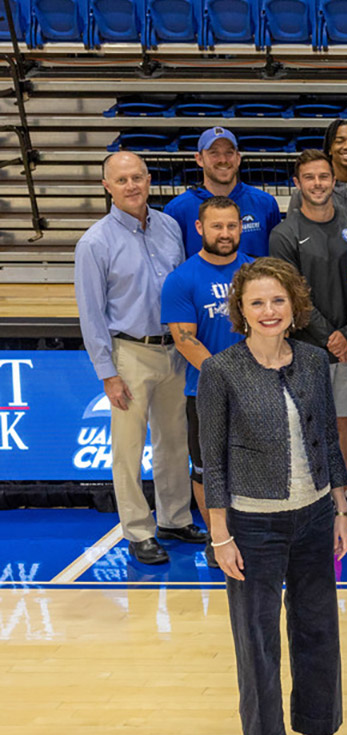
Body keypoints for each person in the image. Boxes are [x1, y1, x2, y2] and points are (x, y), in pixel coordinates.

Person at [199, 257, 347, 735]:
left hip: (313, 517)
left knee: (317, 628)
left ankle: (317, 724)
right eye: (257, 301)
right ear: (240, 309)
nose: (269, 310)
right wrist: (220, 535)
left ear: (294, 307)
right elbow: (211, 461)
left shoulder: (311, 361)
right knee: (257, 638)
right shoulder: (220, 370)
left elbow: (329, 441)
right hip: (252, 526)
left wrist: (339, 506)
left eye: (278, 301)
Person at [74, 151, 203, 566]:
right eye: (122, 180)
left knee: (174, 441)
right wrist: (107, 374)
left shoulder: (168, 226)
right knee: (128, 449)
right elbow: (91, 313)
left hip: (173, 349)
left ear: (149, 180)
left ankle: (174, 518)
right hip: (128, 351)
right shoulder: (94, 242)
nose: (132, 186)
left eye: (138, 178)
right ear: (106, 187)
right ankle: (138, 530)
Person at [269, 149, 347, 521]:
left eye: (324, 177)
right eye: (310, 178)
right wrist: (329, 335)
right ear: (297, 184)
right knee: (306, 422)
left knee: (346, 421)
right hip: (303, 348)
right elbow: (291, 293)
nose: (318, 184)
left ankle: (343, 495)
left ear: (334, 181)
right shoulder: (285, 233)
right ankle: (310, 494)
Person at [162, 196, 254, 565]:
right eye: (217, 226)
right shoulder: (182, 279)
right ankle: (218, 538)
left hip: (257, 390)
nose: (226, 233)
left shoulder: (256, 273)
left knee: (253, 467)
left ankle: (251, 534)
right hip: (205, 391)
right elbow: (185, 339)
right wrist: (227, 375)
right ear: (199, 228)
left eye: (232, 225)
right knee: (207, 469)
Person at [164, 127, 280, 258]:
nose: (223, 160)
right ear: (199, 159)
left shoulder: (265, 203)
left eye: (229, 153)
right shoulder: (177, 210)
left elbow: (276, 261)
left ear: (238, 158)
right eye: (214, 153)